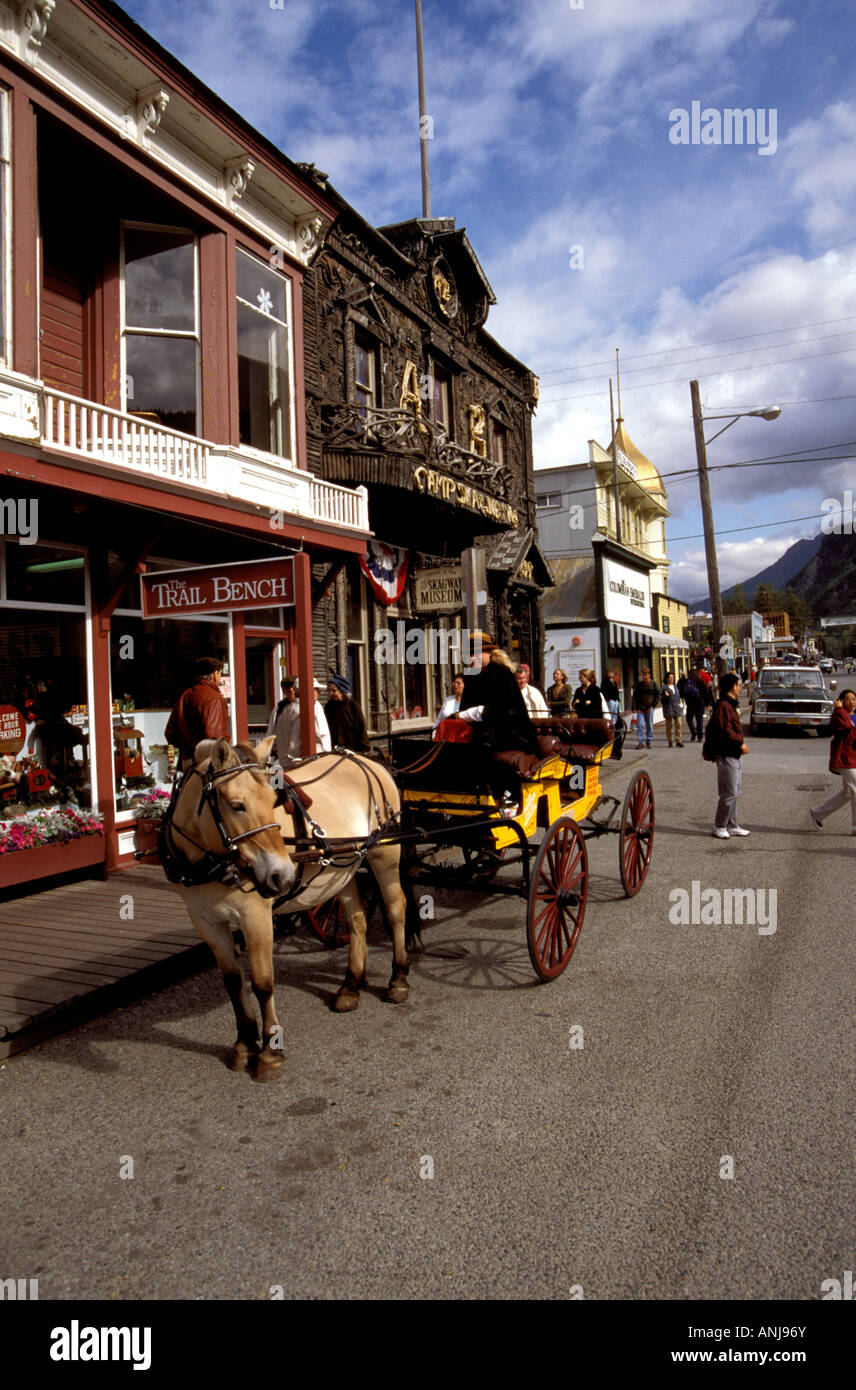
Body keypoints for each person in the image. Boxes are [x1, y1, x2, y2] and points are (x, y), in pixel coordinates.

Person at [457, 631, 538, 755]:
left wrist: (474, 713)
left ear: (489, 653)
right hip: (480, 733)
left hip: (509, 733)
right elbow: (465, 707)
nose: (472, 657)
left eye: (476, 653)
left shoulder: (501, 673)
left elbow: (505, 711)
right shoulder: (471, 676)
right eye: (470, 654)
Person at [706, 671, 750, 838]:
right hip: (726, 753)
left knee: (735, 790)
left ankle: (732, 824)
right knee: (729, 791)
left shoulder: (730, 704)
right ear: (732, 687)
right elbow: (727, 731)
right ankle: (719, 825)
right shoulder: (724, 705)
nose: (740, 688)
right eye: (738, 685)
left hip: (733, 753)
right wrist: (741, 742)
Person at [165, 656, 229, 766]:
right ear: (214, 674)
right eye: (219, 673)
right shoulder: (214, 698)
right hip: (208, 764)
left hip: (187, 762)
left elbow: (170, 733)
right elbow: (214, 736)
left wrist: (186, 749)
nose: (220, 678)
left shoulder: (185, 695)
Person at [810, 690, 856, 834]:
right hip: (844, 758)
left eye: (854, 699)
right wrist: (839, 709)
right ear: (841, 701)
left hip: (854, 757)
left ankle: (818, 813)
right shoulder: (839, 716)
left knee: (848, 793)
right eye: (848, 700)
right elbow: (846, 727)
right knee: (855, 789)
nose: (852, 702)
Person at [325, 675, 370, 753]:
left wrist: (363, 750)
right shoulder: (329, 706)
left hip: (351, 750)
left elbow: (361, 729)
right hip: (334, 750)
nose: (330, 693)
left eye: (333, 690)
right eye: (329, 690)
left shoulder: (353, 706)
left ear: (342, 690)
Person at [266, 676, 299, 762]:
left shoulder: (306, 705)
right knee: (279, 775)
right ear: (283, 690)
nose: (291, 690)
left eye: (293, 687)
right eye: (287, 688)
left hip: (301, 755)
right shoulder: (279, 708)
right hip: (283, 756)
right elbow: (270, 732)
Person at [631, 669, 659, 749]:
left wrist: (653, 705)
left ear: (649, 675)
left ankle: (649, 741)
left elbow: (657, 695)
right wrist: (634, 707)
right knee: (640, 725)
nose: (644, 677)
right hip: (640, 709)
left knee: (649, 725)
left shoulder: (653, 684)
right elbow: (635, 696)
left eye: (645, 675)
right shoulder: (639, 685)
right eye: (643, 675)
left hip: (650, 708)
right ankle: (641, 742)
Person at [679, 666, 706, 742]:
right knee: (699, 719)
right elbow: (705, 692)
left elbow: (682, 693)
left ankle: (693, 732)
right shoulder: (700, 681)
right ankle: (700, 736)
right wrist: (707, 703)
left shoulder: (687, 682)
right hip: (700, 703)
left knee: (689, 718)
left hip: (690, 704)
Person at [661, 670, 684, 748]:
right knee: (669, 726)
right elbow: (662, 699)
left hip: (676, 707)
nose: (671, 679)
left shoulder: (675, 687)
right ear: (667, 678)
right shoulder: (664, 687)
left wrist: (680, 704)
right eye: (670, 677)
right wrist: (665, 696)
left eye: (672, 677)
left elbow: (678, 696)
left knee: (679, 724)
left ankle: (678, 740)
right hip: (668, 708)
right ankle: (670, 741)